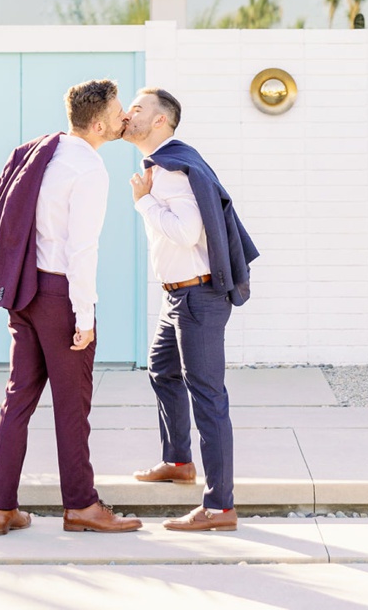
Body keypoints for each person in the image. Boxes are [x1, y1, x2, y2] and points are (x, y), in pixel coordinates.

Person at [0, 78, 141, 536]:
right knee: (72, 406)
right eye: (120, 109)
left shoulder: (42, 153)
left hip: (24, 292)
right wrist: (84, 318)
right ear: (101, 120)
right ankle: (82, 506)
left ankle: (2, 508)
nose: (125, 115)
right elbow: (81, 250)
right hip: (58, 297)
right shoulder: (89, 169)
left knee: (18, 401)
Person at [123, 86, 260, 532]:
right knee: (161, 370)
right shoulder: (162, 166)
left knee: (208, 397)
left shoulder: (172, 169)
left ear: (160, 121)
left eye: (138, 109)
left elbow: (184, 233)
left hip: (197, 297)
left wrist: (143, 201)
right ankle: (179, 461)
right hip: (176, 297)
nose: (129, 114)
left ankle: (220, 507)